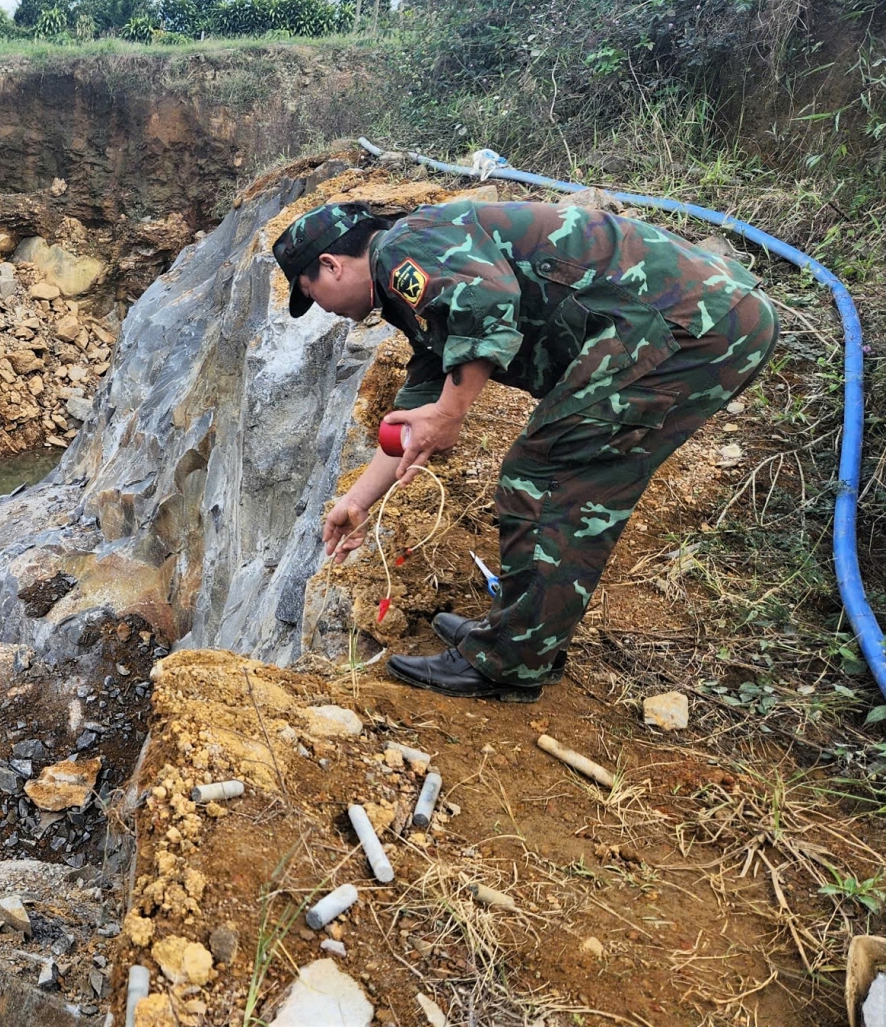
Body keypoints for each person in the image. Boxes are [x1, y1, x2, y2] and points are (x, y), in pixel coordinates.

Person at [272, 197, 778, 702]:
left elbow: (486, 302)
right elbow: (416, 410)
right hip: (705, 319)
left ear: (331, 265)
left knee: (547, 477)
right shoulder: (418, 274)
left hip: (687, 324)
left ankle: (508, 665)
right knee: (572, 476)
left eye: (311, 293)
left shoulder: (403, 250)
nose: (323, 309)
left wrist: (452, 413)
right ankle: (518, 640)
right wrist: (357, 501)